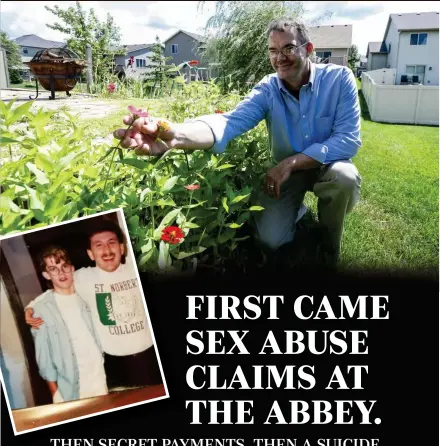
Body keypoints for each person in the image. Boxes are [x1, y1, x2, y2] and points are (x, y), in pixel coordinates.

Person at [113, 18, 362, 267]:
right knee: (271, 240)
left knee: (345, 177)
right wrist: (174, 135)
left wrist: (290, 163)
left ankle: (329, 244)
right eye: (273, 51)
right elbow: (230, 122)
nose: (280, 58)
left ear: (308, 49)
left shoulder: (339, 79)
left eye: (288, 48)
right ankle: (296, 211)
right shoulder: (268, 89)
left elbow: (348, 140)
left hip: (325, 166)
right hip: (287, 177)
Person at [26, 219, 162, 389]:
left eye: (111, 243)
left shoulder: (137, 270)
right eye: (98, 245)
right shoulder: (83, 278)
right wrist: (30, 307)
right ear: (90, 254)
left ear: (122, 248)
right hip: (114, 365)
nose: (106, 250)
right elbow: (57, 287)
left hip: (151, 356)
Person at [30, 245, 108, 403]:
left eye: (64, 266)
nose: (61, 273)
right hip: (70, 387)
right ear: (46, 275)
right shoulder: (41, 309)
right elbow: (43, 358)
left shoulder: (86, 295)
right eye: (53, 269)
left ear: (72, 269)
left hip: (99, 377)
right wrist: (55, 393)